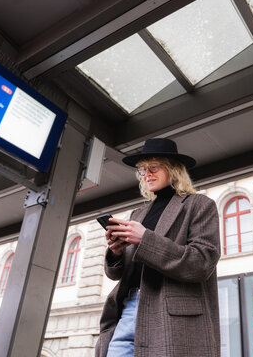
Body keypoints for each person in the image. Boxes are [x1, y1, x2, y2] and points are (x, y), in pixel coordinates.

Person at [94, 138, 221, 357]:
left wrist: (145, 239)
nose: (147, 174)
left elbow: (202, 261)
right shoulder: (138, 214)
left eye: (154, 167)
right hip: (128, 308)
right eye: (143, 169)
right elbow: (118, 274)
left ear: (173, 169)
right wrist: (116, 253)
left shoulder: (199, 205)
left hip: (169, 313)